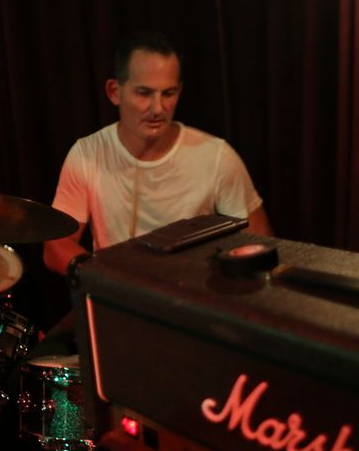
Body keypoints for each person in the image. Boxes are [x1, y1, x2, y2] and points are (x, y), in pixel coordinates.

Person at [44, 30, 272, 277]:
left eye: (168, 93)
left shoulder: (216, 156)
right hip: (116, 291)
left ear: (179, 91)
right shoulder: (88, 154)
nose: (158, 108)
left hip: (190, 293)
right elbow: (55, 247)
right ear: (114, 92)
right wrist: (105, 280)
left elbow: (260, 244)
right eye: (144, 93)